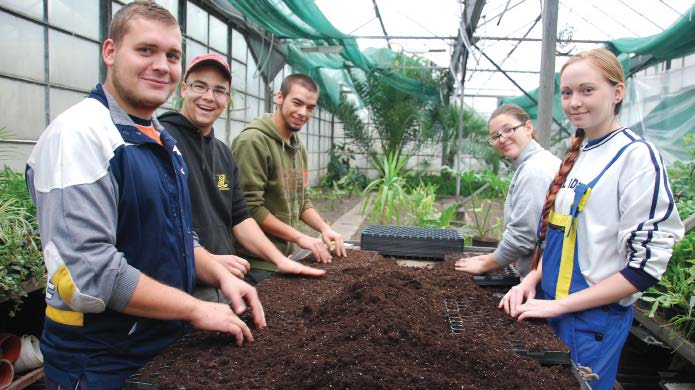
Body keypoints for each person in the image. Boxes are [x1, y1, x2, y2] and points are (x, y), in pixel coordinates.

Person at [25, 2, 265, 388]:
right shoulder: (81, 135)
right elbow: (91, 273)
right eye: (145, 50)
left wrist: (219, 272)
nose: (161, 65)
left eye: (172, 55)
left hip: (157, 346)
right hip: (101, 360)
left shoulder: (158, 139)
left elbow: (174, 233)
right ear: (110, 51)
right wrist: (196, 309)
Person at [499, 48, 683, 390]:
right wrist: (529, 282)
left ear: (617, 92)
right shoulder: (580, 154)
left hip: (591, 323)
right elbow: (563, 238)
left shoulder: (636, 158)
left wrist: (560, 306)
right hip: (551, 308)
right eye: (567, 93)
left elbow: (643, 269)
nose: (574, 102)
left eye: (587, 90)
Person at [159, 54, 326, 301]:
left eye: (219, 90)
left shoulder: (222, 152)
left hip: (227, 282)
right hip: (180, 286)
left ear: (227, 99)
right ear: (184, 89)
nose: (208, 97)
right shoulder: (162, 142)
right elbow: (158, 225)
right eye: (200, 86)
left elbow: (240, 216)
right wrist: (205, 260)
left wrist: (281, 259)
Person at [232, 74, 346, 285]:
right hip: (255, 262)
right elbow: (249, 208)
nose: (303, 112)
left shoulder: (297, 145)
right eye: (297, 103)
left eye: (310, 107)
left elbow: (302, 201)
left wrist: (324, 228)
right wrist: (300, 237)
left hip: (283, 256)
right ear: (280, 97)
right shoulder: (253, 142)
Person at [455, 104, 560, 277]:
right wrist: (494, 257)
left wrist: (487, 264)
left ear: (528, 127)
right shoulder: (538, 162)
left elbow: (523, 235)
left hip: (542, 280)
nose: (502, 139)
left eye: (508, 130)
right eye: (495, 136)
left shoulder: (534, 170)